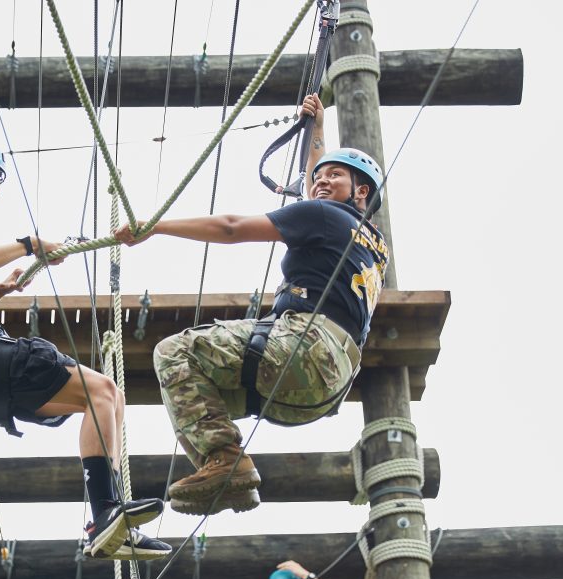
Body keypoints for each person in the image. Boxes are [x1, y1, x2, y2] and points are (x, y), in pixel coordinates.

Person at [114, 95, 389, 515]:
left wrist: (154, 227)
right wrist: (315, 130)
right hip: (320, 389)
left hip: (303, 349)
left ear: (361, 191)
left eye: (334, 176)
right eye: (319, 177)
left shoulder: (325, 216)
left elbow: (231, 228)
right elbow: (320, 184)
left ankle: (225, 462)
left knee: (175, 353)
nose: (320, 182)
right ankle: (224, 465)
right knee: (200, 396)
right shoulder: (373, 245)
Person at [0, 138, 169, 560]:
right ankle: (106, 512)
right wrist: (29, 244)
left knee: (106, 399)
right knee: (103, 393)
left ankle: (108, 520)